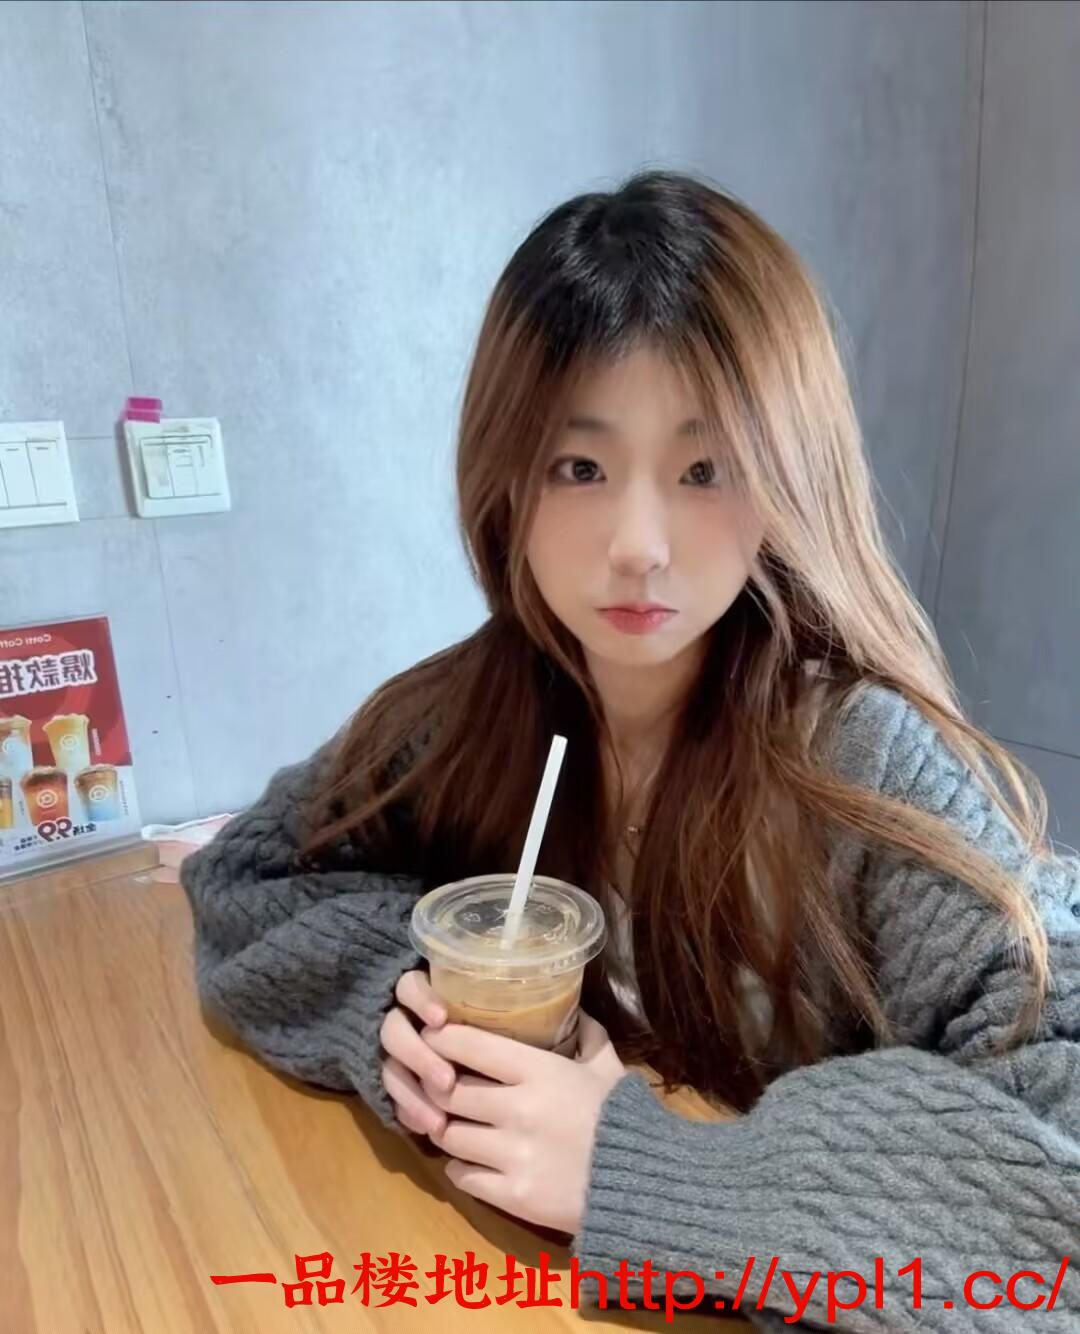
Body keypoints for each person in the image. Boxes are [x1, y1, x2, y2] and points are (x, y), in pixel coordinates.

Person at [180, 169, 1079, 1330]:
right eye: (581, 467)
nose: (638, 544)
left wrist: (660, 1176)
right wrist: (397, 1003)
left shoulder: (858, 759)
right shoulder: (466, 710)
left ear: (784, 479)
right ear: (508, 478)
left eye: (703, 469)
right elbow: (244, 876)